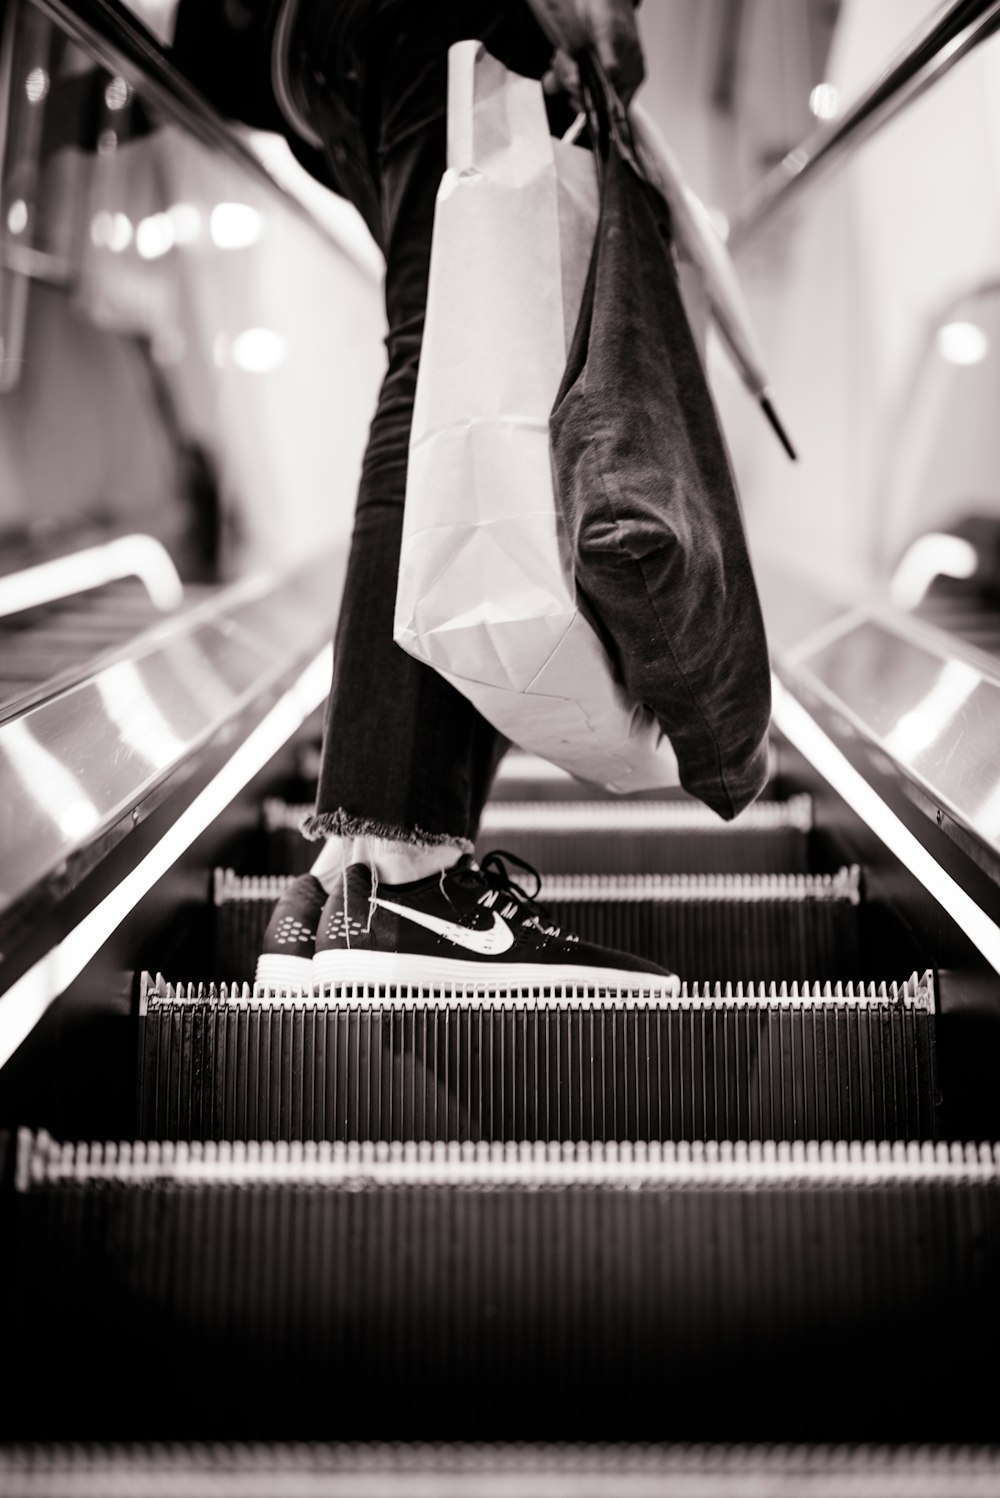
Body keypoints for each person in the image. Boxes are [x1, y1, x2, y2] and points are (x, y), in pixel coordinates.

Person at [173, 0, 676, 991]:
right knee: (461, 365)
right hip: (426, 17)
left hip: (294, 50)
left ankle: (346, 876)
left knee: (459, 359)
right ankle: (401, 864)